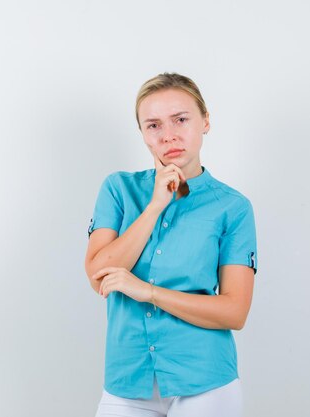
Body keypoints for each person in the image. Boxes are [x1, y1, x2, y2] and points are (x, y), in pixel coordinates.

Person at [85, 72, 258, 417]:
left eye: (181, 119)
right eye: (153, 125)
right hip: (127, 381)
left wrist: (148, 291)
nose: (169, 136)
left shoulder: (232, 207)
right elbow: (99, 275)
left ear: (205, 121)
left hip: (205, 382)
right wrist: (154, 207)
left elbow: (234, 312)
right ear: (142, 134)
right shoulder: (118, 189)